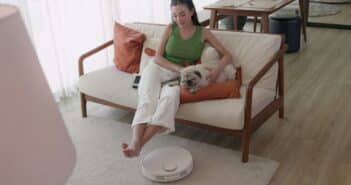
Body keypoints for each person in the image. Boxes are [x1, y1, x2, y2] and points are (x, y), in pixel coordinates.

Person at [121, 0, 233, 158]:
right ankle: (134, 142)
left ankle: (139, 145)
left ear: (192, 12)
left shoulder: (203, 32)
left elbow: (228, 55)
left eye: (182, 14)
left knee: (170, 100)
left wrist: (215, 73)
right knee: (147, 98)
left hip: (178, 79)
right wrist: (181, 69)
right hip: (158, 69)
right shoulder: (170, 28)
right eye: (174, 15)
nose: (179, 19)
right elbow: (158, 57)